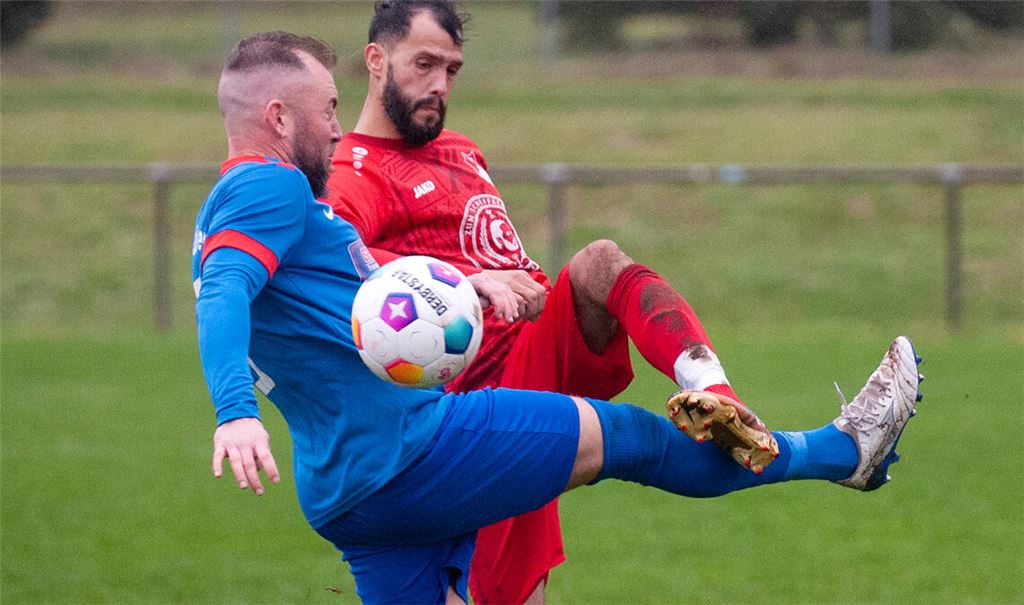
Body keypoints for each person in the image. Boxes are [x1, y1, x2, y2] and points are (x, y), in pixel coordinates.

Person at [194, 30, 924, 605]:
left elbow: (326, 290)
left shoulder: (229, 211)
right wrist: (233, 411)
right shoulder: (268, 186)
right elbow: (228, 289)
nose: (334, 125)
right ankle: (842, 451)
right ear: (278, 117)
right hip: (411, 449)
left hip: (345, 491)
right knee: (632, 438)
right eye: (324, 110)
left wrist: (462, 286)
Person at [321, 2, 761, 602]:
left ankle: (718, 396)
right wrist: (463, 279)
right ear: (376, 59)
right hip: (469, 401)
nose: (439, 85)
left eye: (451, 69)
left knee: (600, 262)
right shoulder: (351, 174)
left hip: (534, 353)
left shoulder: (463, 150)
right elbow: (345, 270)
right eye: (423, 64)